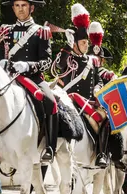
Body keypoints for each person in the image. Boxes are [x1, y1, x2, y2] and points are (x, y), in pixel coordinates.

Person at [0, 0, 58, 164]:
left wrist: (27, 65)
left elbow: (47, 62)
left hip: (33, 78)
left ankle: (49, 147)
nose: (20, 9)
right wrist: (0, 62)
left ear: (32, 8)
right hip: (8, 78)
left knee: (51, 103)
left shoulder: (41, 32)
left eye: (24, 5)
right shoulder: (5, 30)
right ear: (13, 8)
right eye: (17, 5)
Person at [52, 4, 109, 168]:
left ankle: (101, 154)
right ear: (75, 43)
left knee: (105, 120)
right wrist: (67, 48)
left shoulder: (93, 61)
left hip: (88, 103)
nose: (86, 46)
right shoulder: (67, 57)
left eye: (87, 43)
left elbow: (98, 79)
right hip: (68, 101)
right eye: (83, 43)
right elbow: (56, 68)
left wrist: (98, 88)